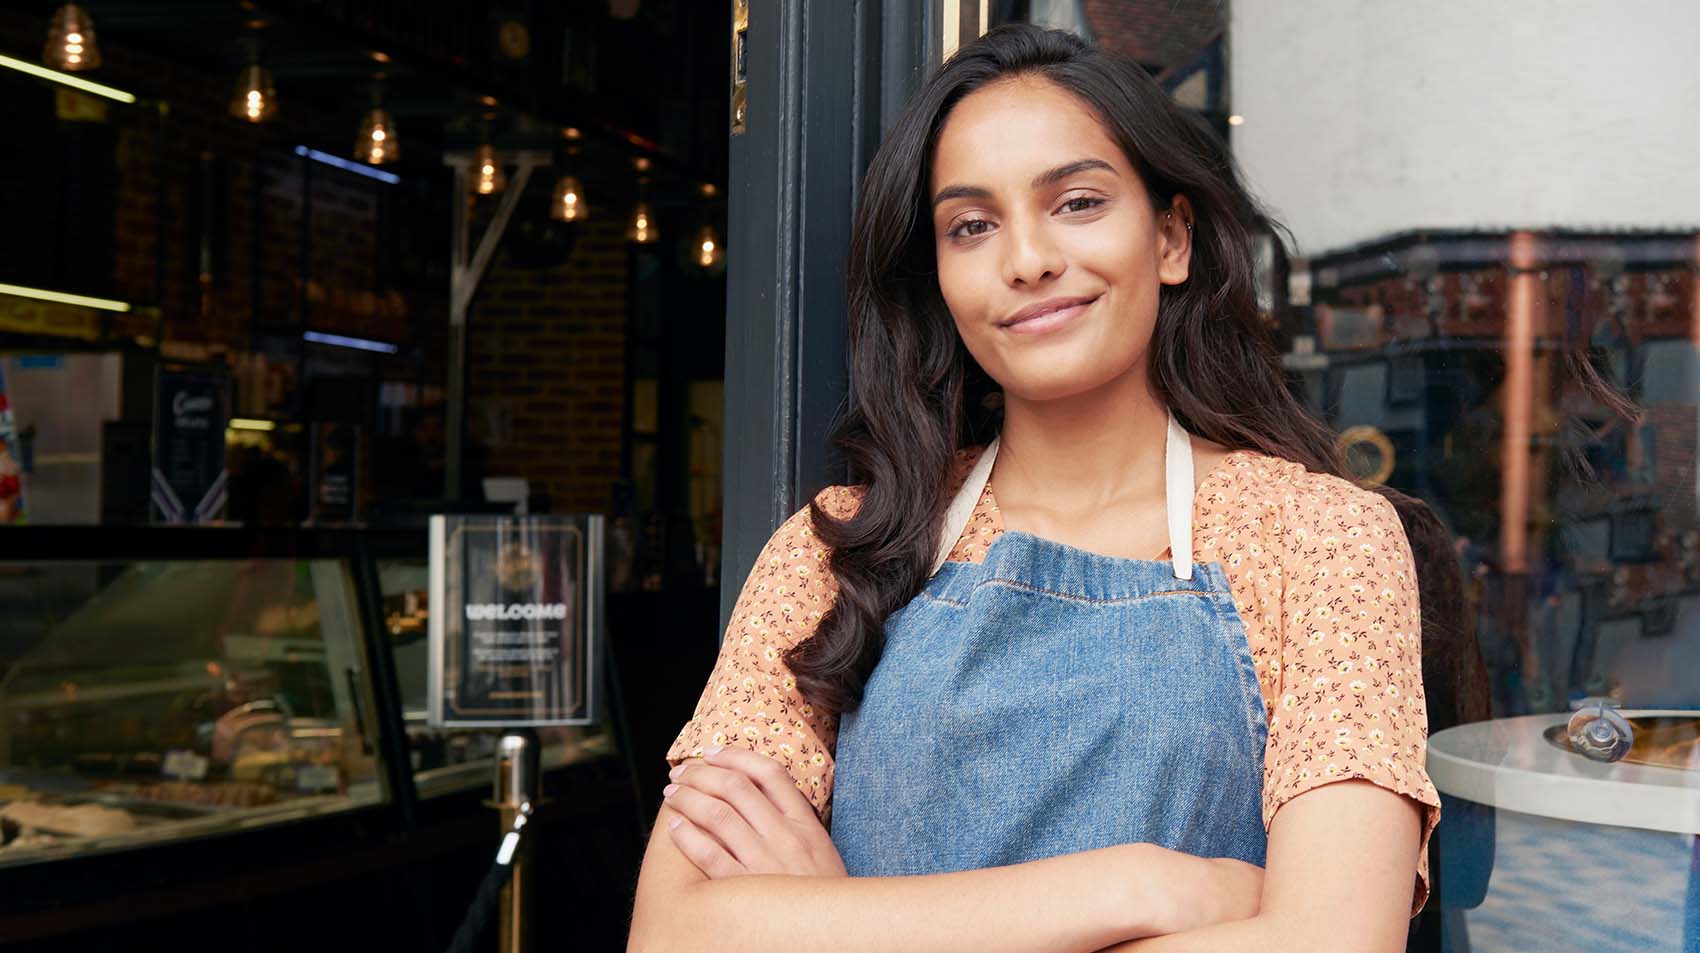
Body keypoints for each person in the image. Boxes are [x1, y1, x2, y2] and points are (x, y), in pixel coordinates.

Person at [630, 26, 1453, 953]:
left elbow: (1332, 943)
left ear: (1172, 238)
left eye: (1078, 202)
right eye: (971, 225)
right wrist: (1143, 884)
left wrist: (844, 923)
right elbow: (673, 933)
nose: (1027, 258)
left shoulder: (1325, 541)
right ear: (938, 277)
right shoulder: (835, 551)